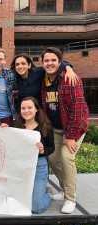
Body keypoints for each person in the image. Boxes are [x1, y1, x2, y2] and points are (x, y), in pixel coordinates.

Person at [40, 47, 89, 214]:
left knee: (67, 158)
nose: (50, 63)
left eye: (53, 60)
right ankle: (63, 189)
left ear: (59, 62)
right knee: (53, 159)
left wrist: (71, 136)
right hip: (56, 128)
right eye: (46, 60)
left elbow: (77, 109)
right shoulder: (44, 78)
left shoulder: (70, 79)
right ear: (42, 63)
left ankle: (70, 198)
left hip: (74, 127)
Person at [14, 96, 54, 214]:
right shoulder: (17, 126)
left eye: (29, 107)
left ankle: (47, 195)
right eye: (23, 108)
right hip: (21, 167)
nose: (26, 111)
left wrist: (43, 151)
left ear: (36, 109)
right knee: (18, 202)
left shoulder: (45, 126)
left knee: (36, 207)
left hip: (39, 166)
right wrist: (4, 130)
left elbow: (51, 148)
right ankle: (38, 191)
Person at [10, 53, 79, 111]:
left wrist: (68, 68)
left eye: (23, 63)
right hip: (25, 113)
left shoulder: (38, 72)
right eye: (17, 64)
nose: (20, 66)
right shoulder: (13, 78)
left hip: (41, 113)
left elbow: (56, 64)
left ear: (29, 65)